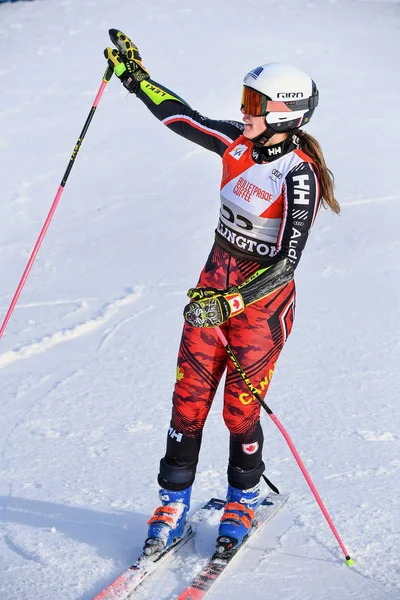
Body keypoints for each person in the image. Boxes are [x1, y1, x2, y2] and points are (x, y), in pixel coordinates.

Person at [104, 29, 340, 557]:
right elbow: (180, 118)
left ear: (286, 112)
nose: (244, 109)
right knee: (187, 399)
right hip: (212, 282)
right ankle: (173, 501)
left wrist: (231, 303)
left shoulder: (298, 175)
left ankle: (242, 497)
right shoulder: (236, 141)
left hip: (262, 304)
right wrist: (135, 79)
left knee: (239, 408)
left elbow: (287, 262)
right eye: (245, 99)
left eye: (256, 103)